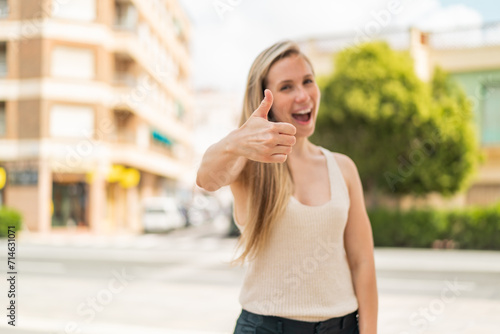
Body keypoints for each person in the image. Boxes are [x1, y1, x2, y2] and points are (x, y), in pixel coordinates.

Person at [196, 40, 378, 334]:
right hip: (266, 327)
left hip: (342, 326)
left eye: (308, 81)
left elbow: (363, 262)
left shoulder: (342, 168)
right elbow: (206, 178)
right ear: (263, 100)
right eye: (286, 87)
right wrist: (234, 142)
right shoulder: (248, 162)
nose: (303, 95)